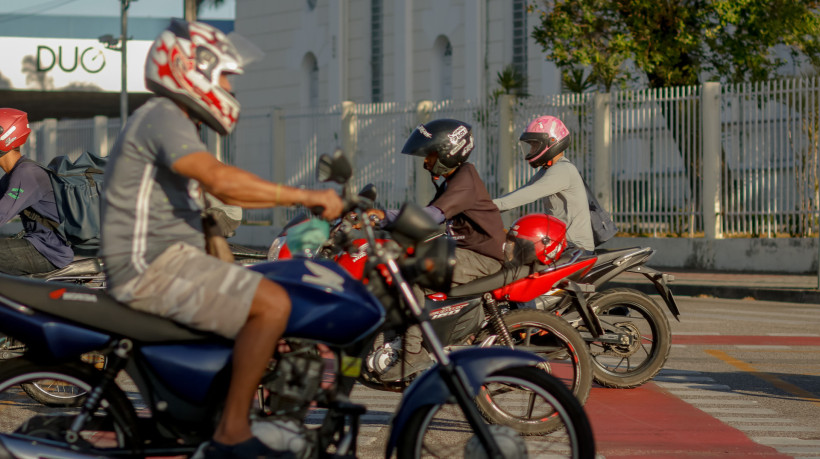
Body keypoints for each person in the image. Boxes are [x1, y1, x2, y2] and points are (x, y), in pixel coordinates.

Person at [100, 19, 343, 459]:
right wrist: (307, 195)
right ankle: (232, 431)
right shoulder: (163, 116)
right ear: (191, 70)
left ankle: (221, 417)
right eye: (226, 75)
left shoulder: (175, 125)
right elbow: (223, 183)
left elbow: (209, 226)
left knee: (272, 301)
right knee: (274, 304)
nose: (230, 85)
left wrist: (239, 278)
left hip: (169, 261)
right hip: (147, 267)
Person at [375, 118, 507, 380]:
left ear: (449, 153)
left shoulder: (465, 180)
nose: (426, 162)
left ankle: (413, 353)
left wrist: (381, 215)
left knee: (413, 271)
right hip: (463, 250)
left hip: (482, 257)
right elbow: (424, 222)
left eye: (431, 154)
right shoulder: (452, 180)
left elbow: (430, 217)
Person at [493, 115, 595, 253]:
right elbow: (519, 193)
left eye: (535, 145)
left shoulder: (562, 170)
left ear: (551, 142)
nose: (531, 151)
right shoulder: (548, 170)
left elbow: (527, 194)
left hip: (575, 248)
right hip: (560, 242)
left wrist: (485, 207)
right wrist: (487, 206)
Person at [0, 108, 73, 275]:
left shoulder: (26, 174)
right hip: (38, 245)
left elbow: (1, 213)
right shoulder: (15, 173)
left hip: (49, 252)